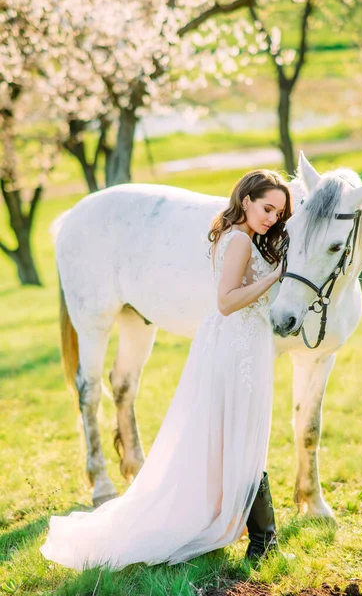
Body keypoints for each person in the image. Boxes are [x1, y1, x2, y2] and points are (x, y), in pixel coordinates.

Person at [39, 169, 292, 571]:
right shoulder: (242, 240)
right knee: (244, 439)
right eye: (267, 208)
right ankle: (264, 540)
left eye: (279, 213)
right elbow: (226, 301)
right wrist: (277, 276)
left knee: (238, 438)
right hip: (239, 347)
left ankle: (253, 532)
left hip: (238, 345)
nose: (272, 218)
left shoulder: (230, 232)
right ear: (246, 201)